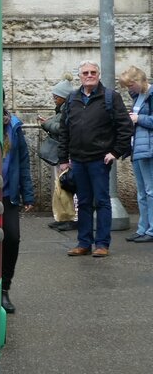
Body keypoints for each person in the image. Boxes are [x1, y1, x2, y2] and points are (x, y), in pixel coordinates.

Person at [58, 59, 133, 258]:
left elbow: (125, 126)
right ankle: (84, 243)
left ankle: (102, 244)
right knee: (83, 203)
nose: (89, 75)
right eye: (85, 73)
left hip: (100, 160)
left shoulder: (110, 97)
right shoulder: (72, 99)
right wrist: (63, 158)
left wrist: (115, 152)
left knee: (101, 201)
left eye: (93, 72)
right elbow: (64, 130)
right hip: (78, 161)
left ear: (98, 75)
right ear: (79, 76)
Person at [1, 99, 34, 313]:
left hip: (7, 195)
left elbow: (23, 160)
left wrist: (27, 194)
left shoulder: (13, 125)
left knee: (12, 238)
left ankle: (4, 288)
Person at [119, 66, 153, 243]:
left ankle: (151, 230)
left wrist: (138, 118)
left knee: (150, 191)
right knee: (142, 192)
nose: (128, 88)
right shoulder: (138, 96)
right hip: (138, 148)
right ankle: (142, 229)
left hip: (148, 149)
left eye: (130, 85)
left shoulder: (150, 94)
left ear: (139, 81)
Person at [39, 79, 77, 232]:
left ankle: (73, 218)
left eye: (56, 96)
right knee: (61, 187)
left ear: (64, 97)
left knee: (70, 186)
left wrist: (46, 124)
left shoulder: (69, 110)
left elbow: (62, 128)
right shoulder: (62, 110)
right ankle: (64, 217)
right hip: (62, 153)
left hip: (68, 154)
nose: (54, 99)